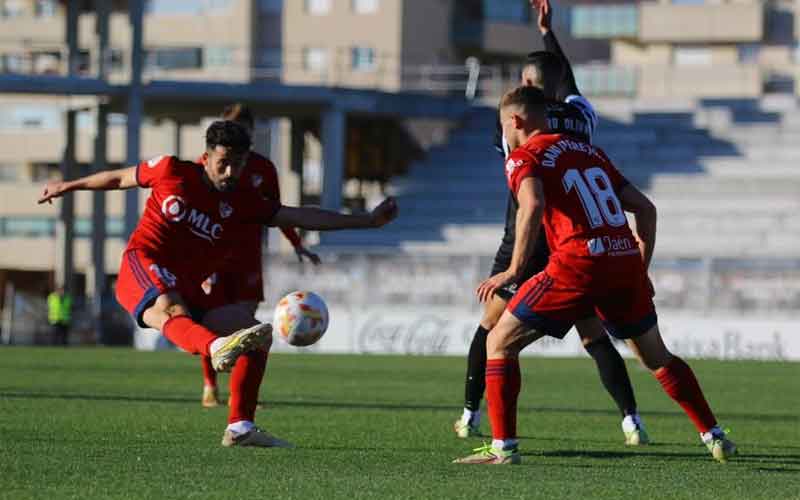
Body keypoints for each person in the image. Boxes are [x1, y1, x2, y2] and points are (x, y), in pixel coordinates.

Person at [38, 120, 398, 448]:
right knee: (170, 309)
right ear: (207, 157)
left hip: (189, 284)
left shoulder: (244, 202)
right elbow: (119, 178)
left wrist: (366, 221)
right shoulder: (171, 171)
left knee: (257, 335)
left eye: (238, 164)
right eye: (223, 162)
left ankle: (240, 426)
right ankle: (214, 348)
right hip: (144, 266)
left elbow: (299, 214)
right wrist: (68, 186)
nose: (230, 171)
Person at [454, 86, 736, 465]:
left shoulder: (524, 157)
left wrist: (514, 269)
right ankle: (713, 434)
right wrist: (640, 268)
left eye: (503, 126)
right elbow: (646, 210)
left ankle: (503, 448)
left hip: (577, 263)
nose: (503, 135)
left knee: (499, 342)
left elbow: (532, 204)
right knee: (656, 357)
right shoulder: (590, 152)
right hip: (622, 262)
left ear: (515, 122)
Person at [455, 0, 647, 446]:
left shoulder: (513, 127)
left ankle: (470, 414)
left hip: (525, 235)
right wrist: (548, 35)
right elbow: (566, 79)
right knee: (592, 334)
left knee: (490, 329)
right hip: (571, 239)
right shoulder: (582, 117)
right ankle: (632, 420)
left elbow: (526, 185)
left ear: (525, 86)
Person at [197, 104, 321, 408]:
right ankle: (210, 386)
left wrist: (296, 243)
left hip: (249, 257)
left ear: (251, 132)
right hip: (213, 256)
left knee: (248, 327)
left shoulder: (264, 169)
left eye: (240, 128)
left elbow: (278, 212)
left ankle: (242, 395)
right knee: (210, 323)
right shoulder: (210, 166)